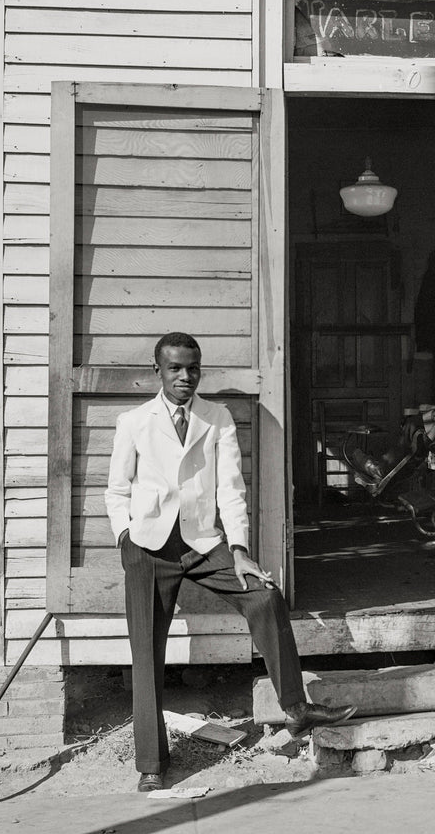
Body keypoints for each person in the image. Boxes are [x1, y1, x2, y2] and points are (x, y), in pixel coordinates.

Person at [105, 332, 355, 792]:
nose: (185, 377)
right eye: (175, 368)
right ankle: (151, 764)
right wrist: (125, 537)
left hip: (202, 543)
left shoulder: (216, 418)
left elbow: (231, 490)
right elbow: (117, 489)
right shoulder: (134, 422)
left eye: (193, 368)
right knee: (146, 653)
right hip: (148, 549)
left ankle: (296, 710)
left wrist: (239, 550)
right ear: (157, 370)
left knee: (264, 597)